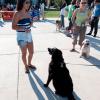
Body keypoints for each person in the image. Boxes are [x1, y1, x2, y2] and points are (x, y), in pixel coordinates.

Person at [12, 0, 36, 73]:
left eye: (29, 2)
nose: (28, 4)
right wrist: (24, 29)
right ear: (22, 3)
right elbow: (13, 27)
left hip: (29, 35)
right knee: (24, 53)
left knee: (31, 52)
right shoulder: (17, 14)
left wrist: (32, 22)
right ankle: (26, 66)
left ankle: (29, 64)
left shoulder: (28, 13)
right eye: (27, 2)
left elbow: (29, 25)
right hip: (21, 37)